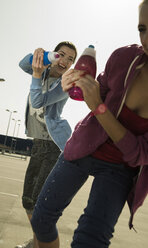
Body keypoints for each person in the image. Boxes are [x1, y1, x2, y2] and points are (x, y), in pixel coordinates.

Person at [30, 1, 148, 248]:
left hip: (120, 168)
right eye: (143, 28)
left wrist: (98, 107)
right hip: (83, 147)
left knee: (89, 241)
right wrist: (77, 86)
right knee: (41, 219)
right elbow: (98, 93)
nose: (147, 38)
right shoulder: (124, 56)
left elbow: (139, 153)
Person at [16, 42, 77, 248]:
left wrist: (35, 75)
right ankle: (37, 242)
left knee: (39, 204)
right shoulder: (42, 73)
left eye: (71, 59)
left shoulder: (65, 84)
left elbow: (38, 101)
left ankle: (41, 244)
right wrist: (42, 56)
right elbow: (23, 63)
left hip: (52, 145)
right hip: (38, 143)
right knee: (27, 200)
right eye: (63, 55)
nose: (66, 61)